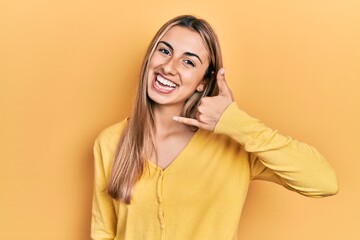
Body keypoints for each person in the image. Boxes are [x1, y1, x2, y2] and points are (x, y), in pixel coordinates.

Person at [91, 15, 338, 240]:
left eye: (188, 62)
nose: (169, 67)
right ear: (149, 58)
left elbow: (323, 182)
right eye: (164, 51)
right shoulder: (110, 141)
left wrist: (238, 123)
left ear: (204, 81)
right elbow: (103, 232)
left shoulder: (235, 146)